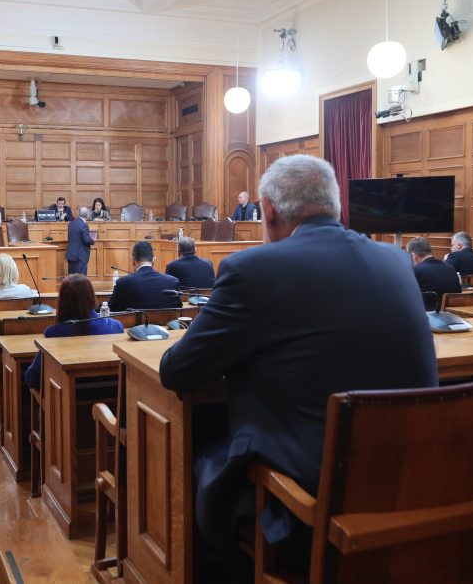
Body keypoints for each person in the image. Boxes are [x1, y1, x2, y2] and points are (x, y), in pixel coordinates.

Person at [159, 155, 437, 574]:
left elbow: (177, 370)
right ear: (335, 204)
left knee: (194, 450)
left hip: (312, 509)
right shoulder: (395, 260)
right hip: (411, 490)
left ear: (268, 211)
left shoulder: (252, 269)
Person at [24, 274, 124, 389]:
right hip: (112, 393)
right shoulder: (116, 327)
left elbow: (32, 378)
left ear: (63, 301)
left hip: (70, 395)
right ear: (91, 297)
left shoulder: (54, 333)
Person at [107, 241, 181, 311]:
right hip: (166, 321)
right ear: (153, 259)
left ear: (132, 259)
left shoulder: (123, 282)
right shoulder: (173, 282)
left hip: (135, 321)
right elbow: (178, 307)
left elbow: (111, 309)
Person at [407, 236, 462, 307]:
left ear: (413, 255)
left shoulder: (415, 271)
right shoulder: (451, 268)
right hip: (452, 312)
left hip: (427, 312)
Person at [66, 207, 96, 275]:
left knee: (71, 277)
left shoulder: (71, 223)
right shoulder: (84, 225)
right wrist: (93, 241)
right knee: (81, 277)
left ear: (79, 213)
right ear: (87, 215)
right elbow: (87, 240)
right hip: (80, 255)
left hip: (71, 254)